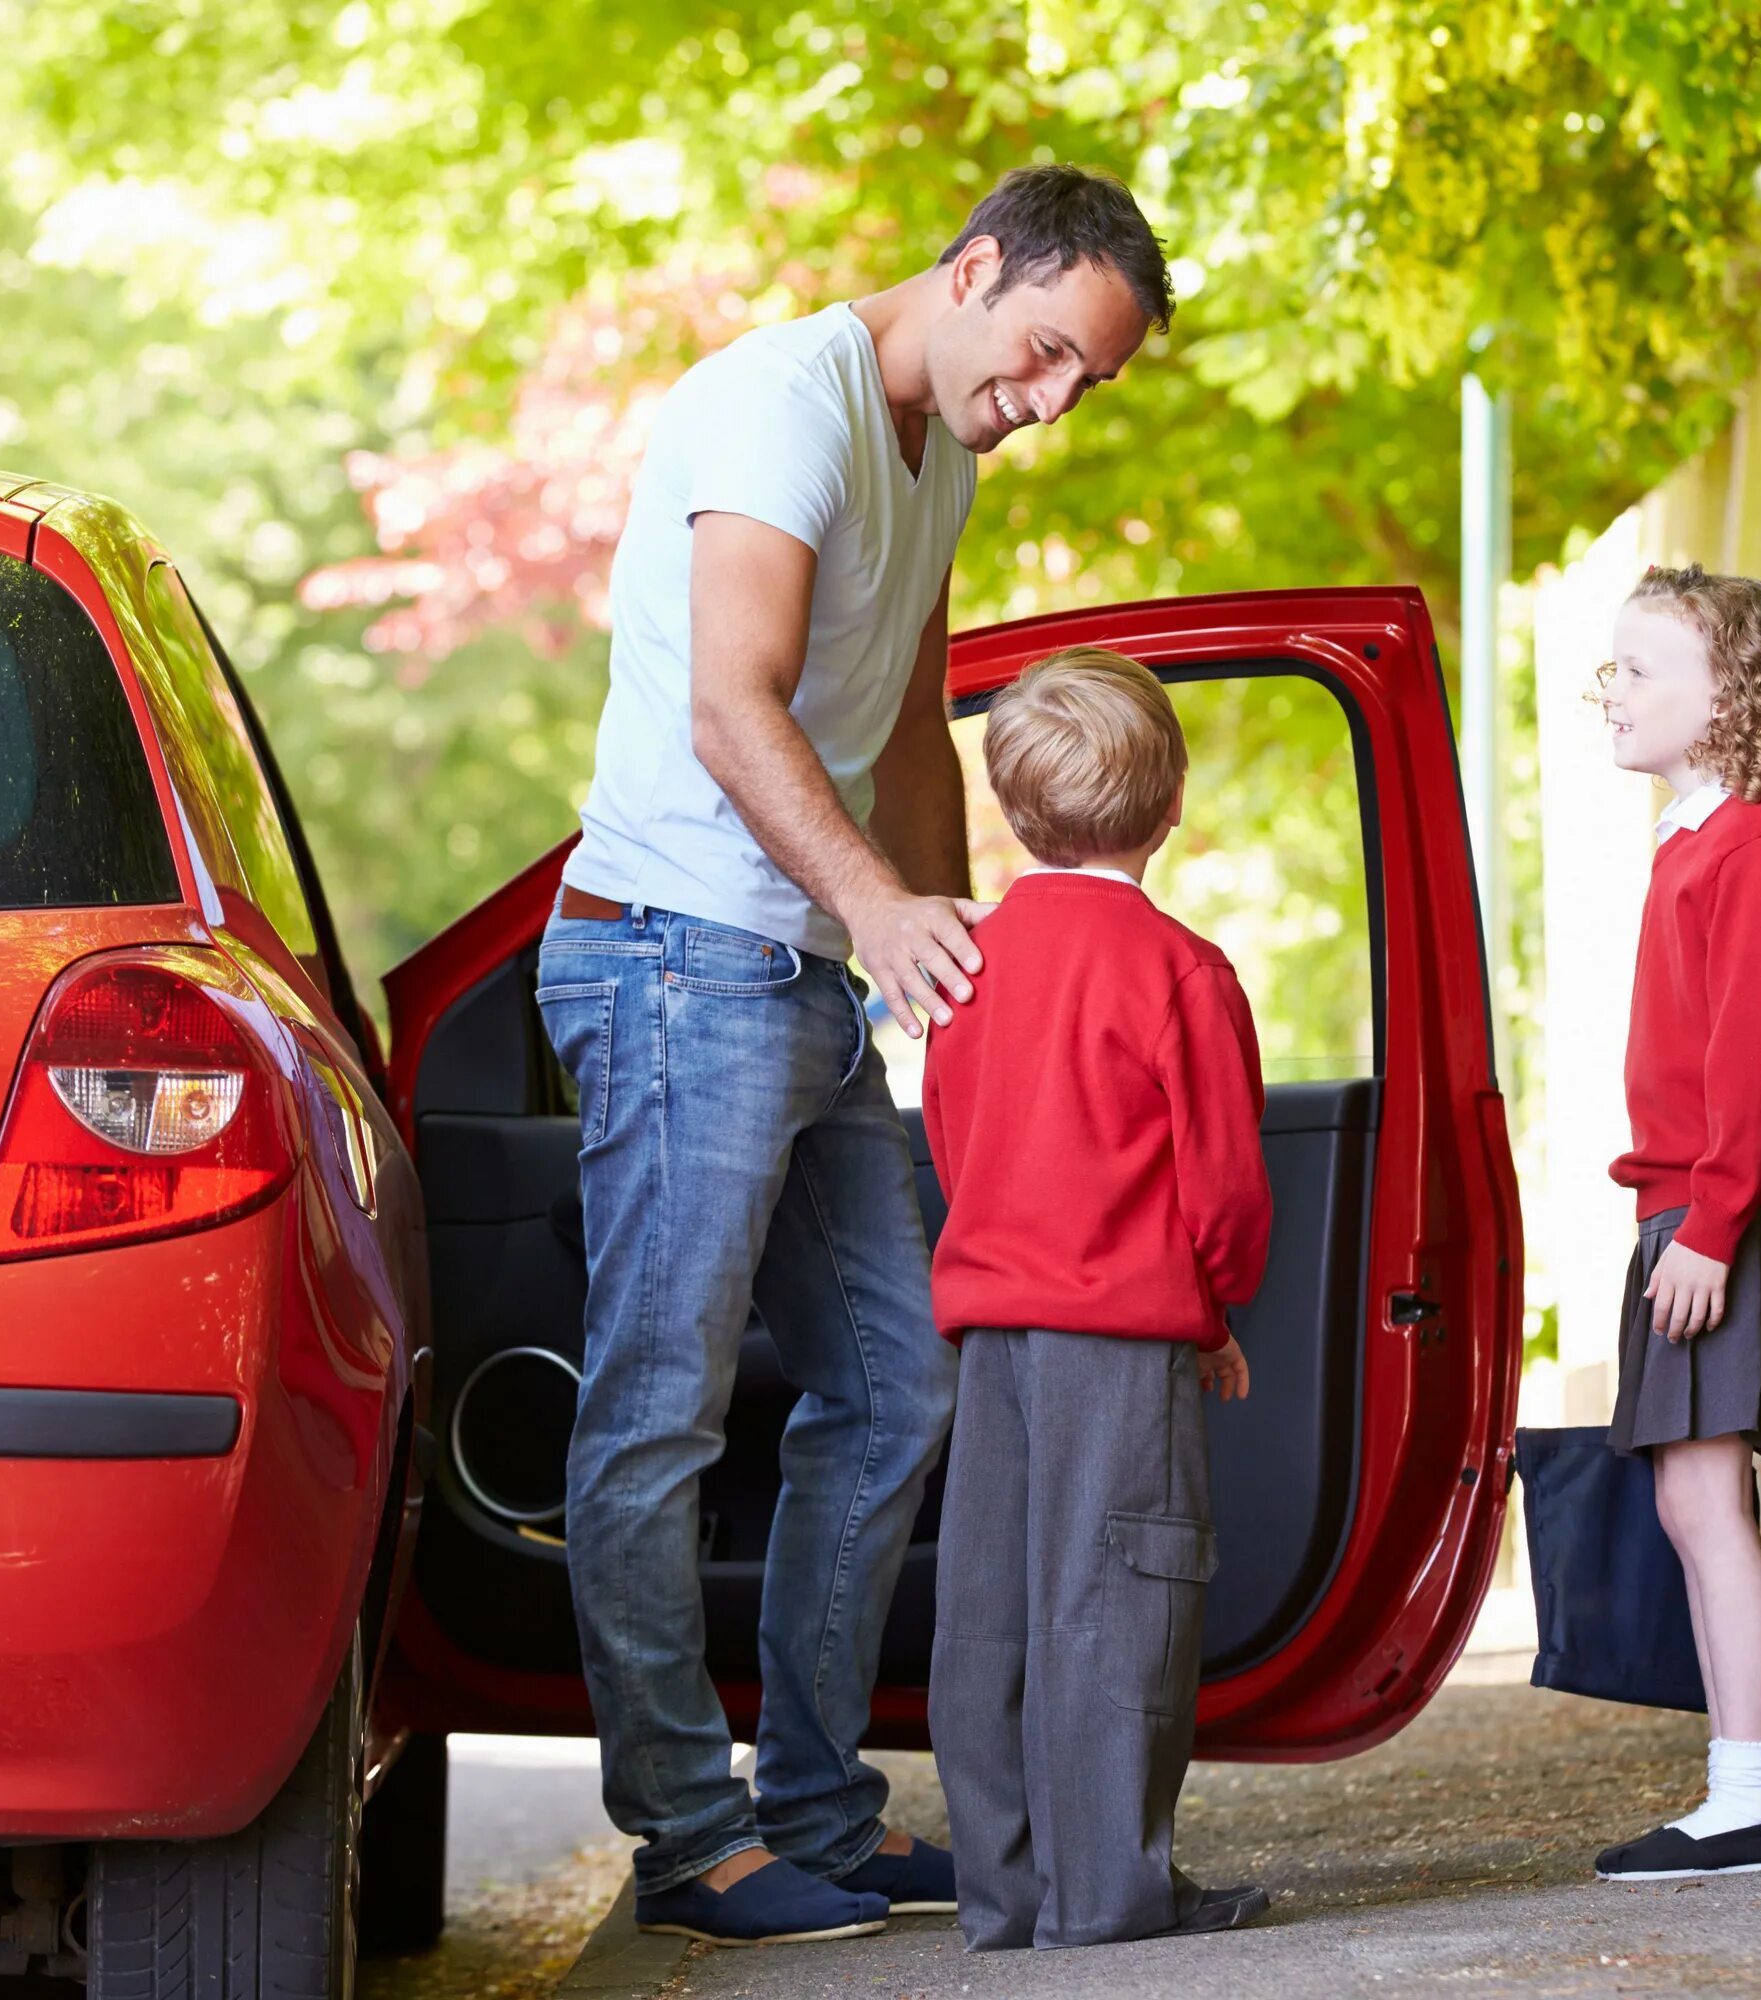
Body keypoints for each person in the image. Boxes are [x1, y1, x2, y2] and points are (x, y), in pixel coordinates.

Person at [535, 168, 1170, 1948]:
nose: (1048, 403)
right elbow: (731, 706)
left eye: (1084, 386)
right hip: (674, 960)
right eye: (1045, 351)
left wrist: (971, 964)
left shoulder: (940, 453)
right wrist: (882, 917)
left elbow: (902, 719)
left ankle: (815, 1810)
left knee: (902, 1387)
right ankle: (687, 1837)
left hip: (801, 977)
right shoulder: (774, 404)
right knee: (654, 1410)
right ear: (972, 270)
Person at [919, 648, 1276, 1949]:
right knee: (1118, 1601)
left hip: (993, 1330)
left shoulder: (968, 961)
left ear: (1014, 815)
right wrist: (1217, 1305)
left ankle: (1005, 1896)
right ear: (1172, 803)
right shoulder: (1182, 971)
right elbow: (1224, 1185)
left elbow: (952, 1142)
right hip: (1122, 1338)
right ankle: (1110, 1898)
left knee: (993, 1608)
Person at [1589, 564, 1761, 1881]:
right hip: (1701, 1209)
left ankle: (1749, 1795)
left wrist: (1704, 1226)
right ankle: (1738, 1788)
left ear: (1732, 699)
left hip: (1726, 1214)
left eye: (1640, 667)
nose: (1613, 687)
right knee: (1696, 1502)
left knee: (1707, 1505)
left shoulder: (1749, 845)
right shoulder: (1699, 840)